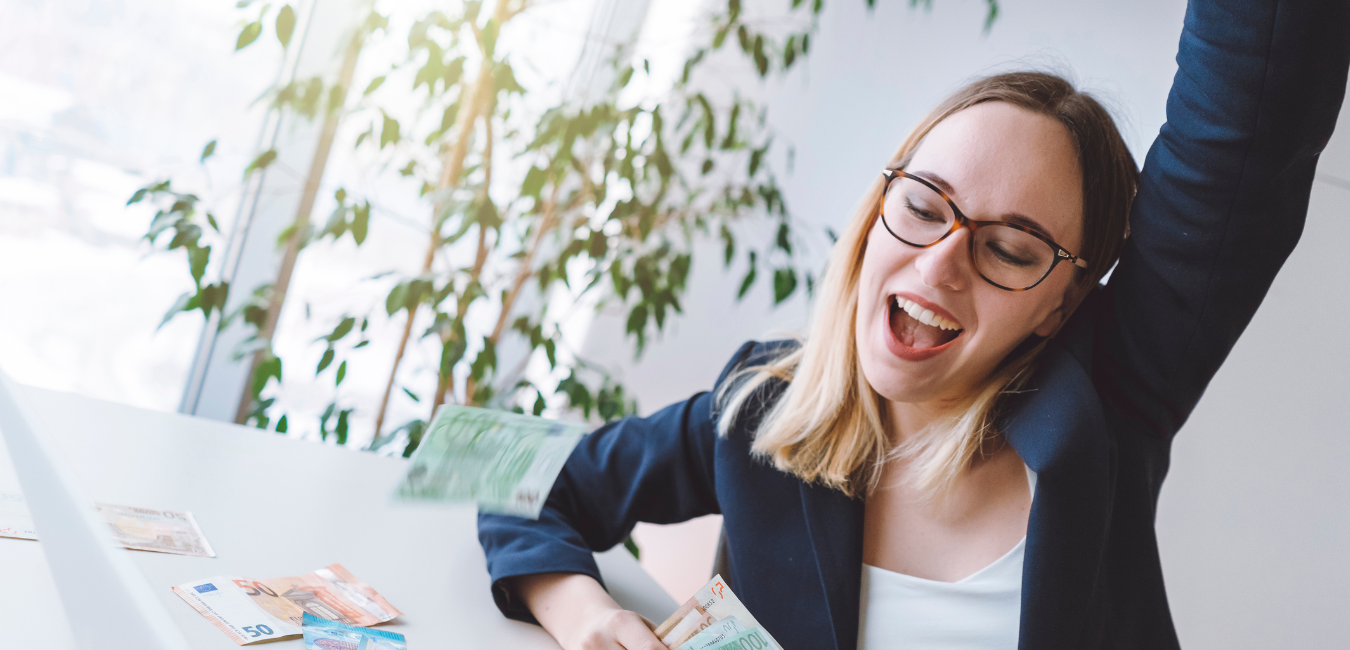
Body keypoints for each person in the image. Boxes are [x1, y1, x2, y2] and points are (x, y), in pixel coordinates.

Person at [478, 0, 1350, 647]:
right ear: (876, 208)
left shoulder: (1104, 414)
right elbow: (502, 469)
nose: (940, 264)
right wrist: (585, 612)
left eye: (1010, 250)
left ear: (1061, 302)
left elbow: (1246, 129)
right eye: (926, 205)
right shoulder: (760, 405)